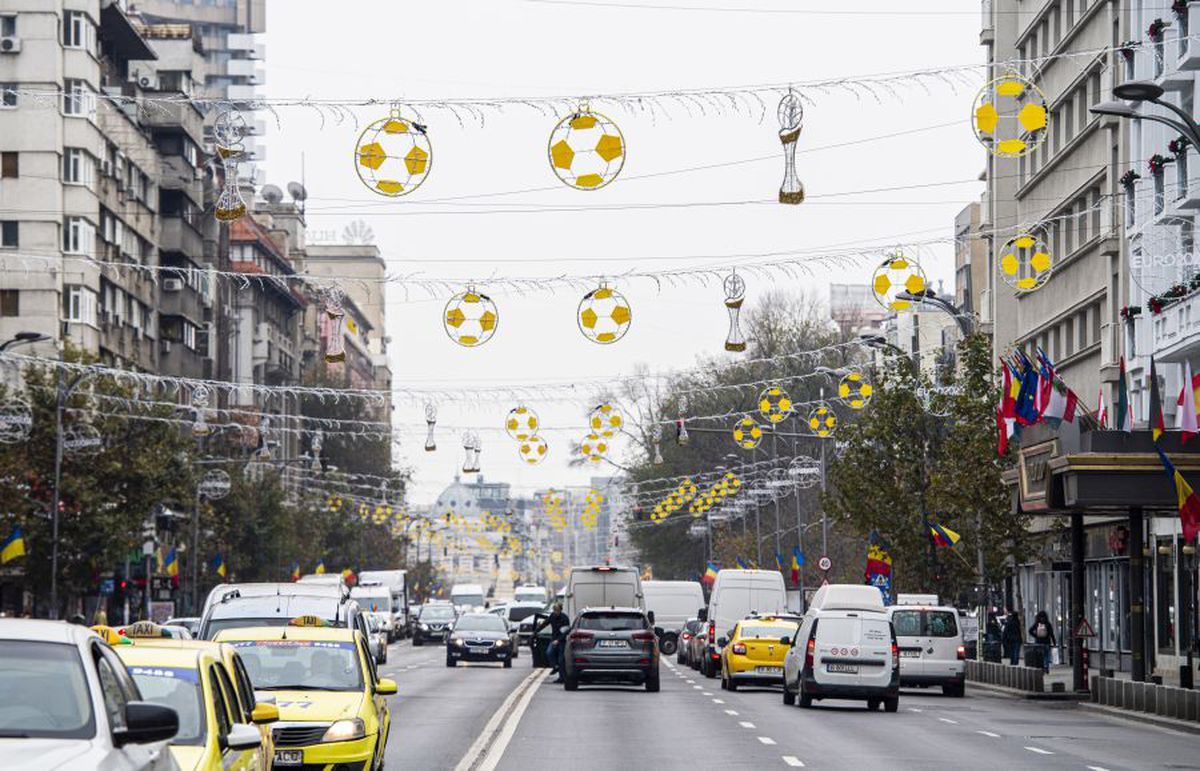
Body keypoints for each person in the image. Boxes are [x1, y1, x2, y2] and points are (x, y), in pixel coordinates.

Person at [535, 602, 570, 683]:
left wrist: (558, 640)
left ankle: (562, 678)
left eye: (557, 610)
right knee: (549, 653)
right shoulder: (552, 616)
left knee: (561, 659)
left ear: (560, 610)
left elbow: (566, 632)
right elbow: (545, 623)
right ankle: (555, 666)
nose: (555, 612)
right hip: (554, 638)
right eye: (554, 610)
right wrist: (536, 631)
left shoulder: (565, 618)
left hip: (562, 640)